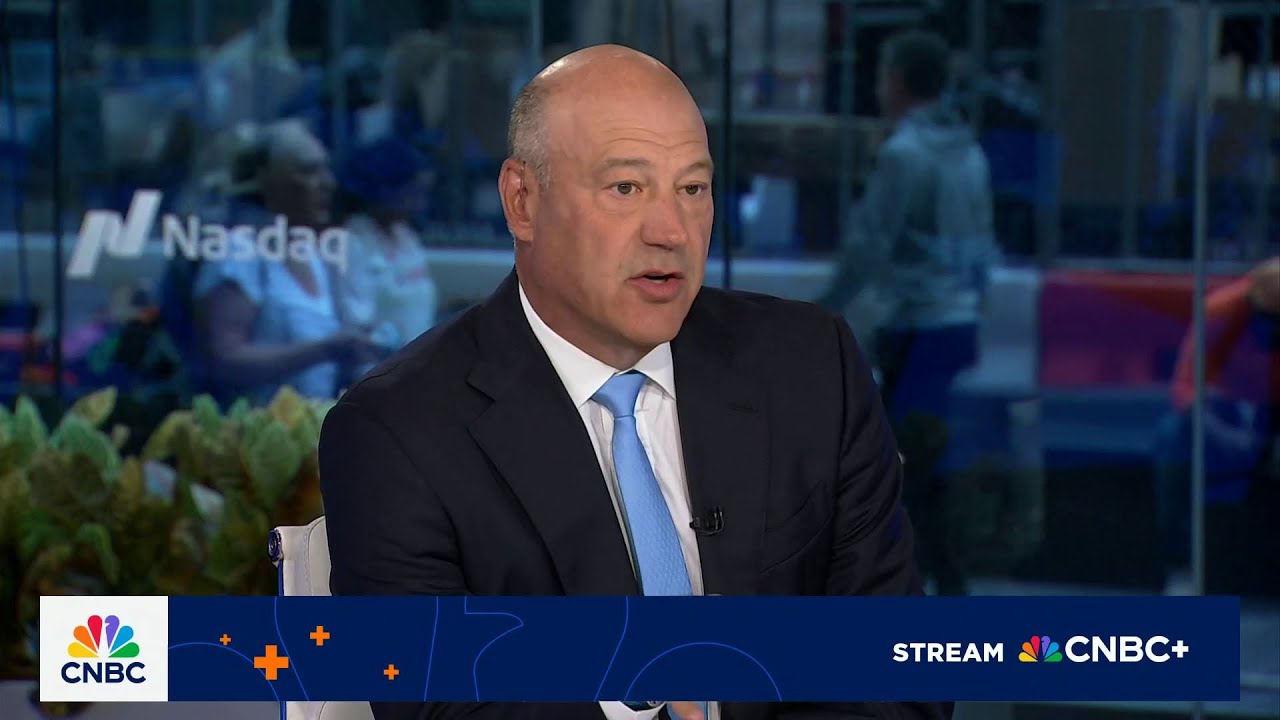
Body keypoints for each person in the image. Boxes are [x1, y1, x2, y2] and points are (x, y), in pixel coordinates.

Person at [319, 44, 950, 720]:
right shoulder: (397, 432)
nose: (671, 231)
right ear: (522, 202)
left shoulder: (812, 367)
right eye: (626, 188)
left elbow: (898, 670)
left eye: (693, 189)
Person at [816, 30, 1001, 596]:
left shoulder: (904, 155)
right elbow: (983, 246)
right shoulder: (970, 152)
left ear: (895, 80)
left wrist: (822, 312)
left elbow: (867, 247)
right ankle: (943, 587)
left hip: (917, 325)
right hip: (958, 324)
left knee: (898, 470)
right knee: (923, 464)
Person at [194, 119, 384, 404]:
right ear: (266, 180)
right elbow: (225, 360)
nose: (327, 184)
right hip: (252, 427)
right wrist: (325, 350)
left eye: (326, 170)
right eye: (308, 171)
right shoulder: (238, 254)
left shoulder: (317, 256)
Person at [1153, 256, 1280, 585]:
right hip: (1222, 407)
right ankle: (1180, 565)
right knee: (1172, 438)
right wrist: (1220, 434)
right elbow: (1185, 387)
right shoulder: (1219, 311)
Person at [339, 136, 440, 352]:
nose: (421, 203)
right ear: (386, 190)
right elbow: (358, 323)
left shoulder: (406, 236)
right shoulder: (352, 243)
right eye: (415, 192)